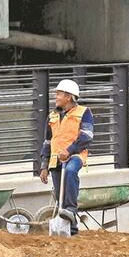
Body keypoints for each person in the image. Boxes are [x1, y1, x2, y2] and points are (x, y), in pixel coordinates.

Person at [39, 79, 94, 236]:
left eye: (59, 94)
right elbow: (47, 141)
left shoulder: (84, 112)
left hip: (76, 154)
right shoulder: (52, 116)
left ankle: (71, 209)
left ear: (69, 97)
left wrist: (69, 151)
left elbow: (87, 136)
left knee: (70, 171)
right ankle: (72, 228)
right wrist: (44, 166)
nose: (56, 96)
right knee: (59, 193)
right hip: (55, 158)